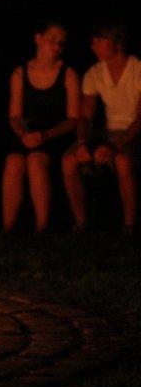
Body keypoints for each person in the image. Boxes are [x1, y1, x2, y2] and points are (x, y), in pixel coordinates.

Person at [1, 23, 80, 233]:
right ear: (38, 39)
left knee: (36, 161)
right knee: (13, 161)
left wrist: (46, 135)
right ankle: (8, 228)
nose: (56, 46)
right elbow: (14, 116)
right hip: (29, 132)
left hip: (56, 133)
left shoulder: (68, 74)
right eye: (51, 39)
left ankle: (42, 227)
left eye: (60, 43)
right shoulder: (20, 73)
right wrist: (23, 134)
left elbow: (73, 119)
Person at [63, 23, 141, 234]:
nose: (93, 46)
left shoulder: (137, 69)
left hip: (133, 133)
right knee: (69, 160)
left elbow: (139, 121)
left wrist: (114, 146)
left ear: (116, 43)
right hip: (109, 132)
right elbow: (86, 116)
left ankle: (130, 224)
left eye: (98, 41)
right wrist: (82, 143)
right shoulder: (94, 73)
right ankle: (81, 223)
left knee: (123, 161)